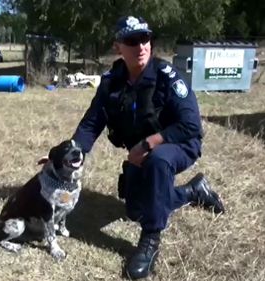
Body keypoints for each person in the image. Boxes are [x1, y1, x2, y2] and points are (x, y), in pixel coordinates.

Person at [71, 15, 225, 279]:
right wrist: (70, 153)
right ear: (117, 46)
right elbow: (91, 123)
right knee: (135, 210)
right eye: (132, 40)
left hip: (179, 144)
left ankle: (150, 241)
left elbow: (191, 126)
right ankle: (193, 191)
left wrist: (149, 143)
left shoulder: (167, 77)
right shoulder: (111, 82)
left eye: (145, 39)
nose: (141, 46)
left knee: (158, 161)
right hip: (141, 152)